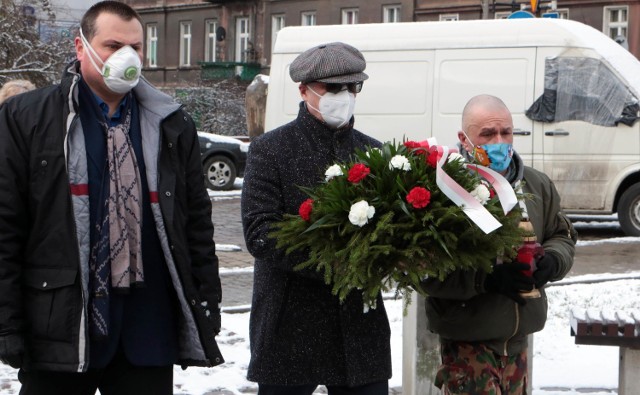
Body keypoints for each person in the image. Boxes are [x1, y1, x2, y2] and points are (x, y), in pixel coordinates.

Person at [0, 2, 223, 394]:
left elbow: (196, 222)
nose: (127, 56)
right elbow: (5, 226)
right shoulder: (27, 118)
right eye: (113, 44)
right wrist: (7, 322)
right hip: (61, 326)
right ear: (80, 46)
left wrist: (206, 299)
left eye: (136, 47)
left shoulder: (169, 122)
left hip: (147, 328)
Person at [241, 42, 392, 395]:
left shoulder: (373, 152)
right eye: (332, 87)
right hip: (289, 319)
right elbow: (260, 232)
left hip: (358, 323)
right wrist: (337, 262)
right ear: (304, 90)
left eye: (351, 87)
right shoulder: (271, 149)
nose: (344, 95)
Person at [422, 94, 578, 394]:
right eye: (487, 134)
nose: (500, 141)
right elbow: (425, 269)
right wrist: (486, 279)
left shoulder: (536, 184)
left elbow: (561, 233)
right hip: (468, 343)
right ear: (464, 140)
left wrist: (554, 261)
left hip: (517, 340)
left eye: (506, 132)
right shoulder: (446, 188)